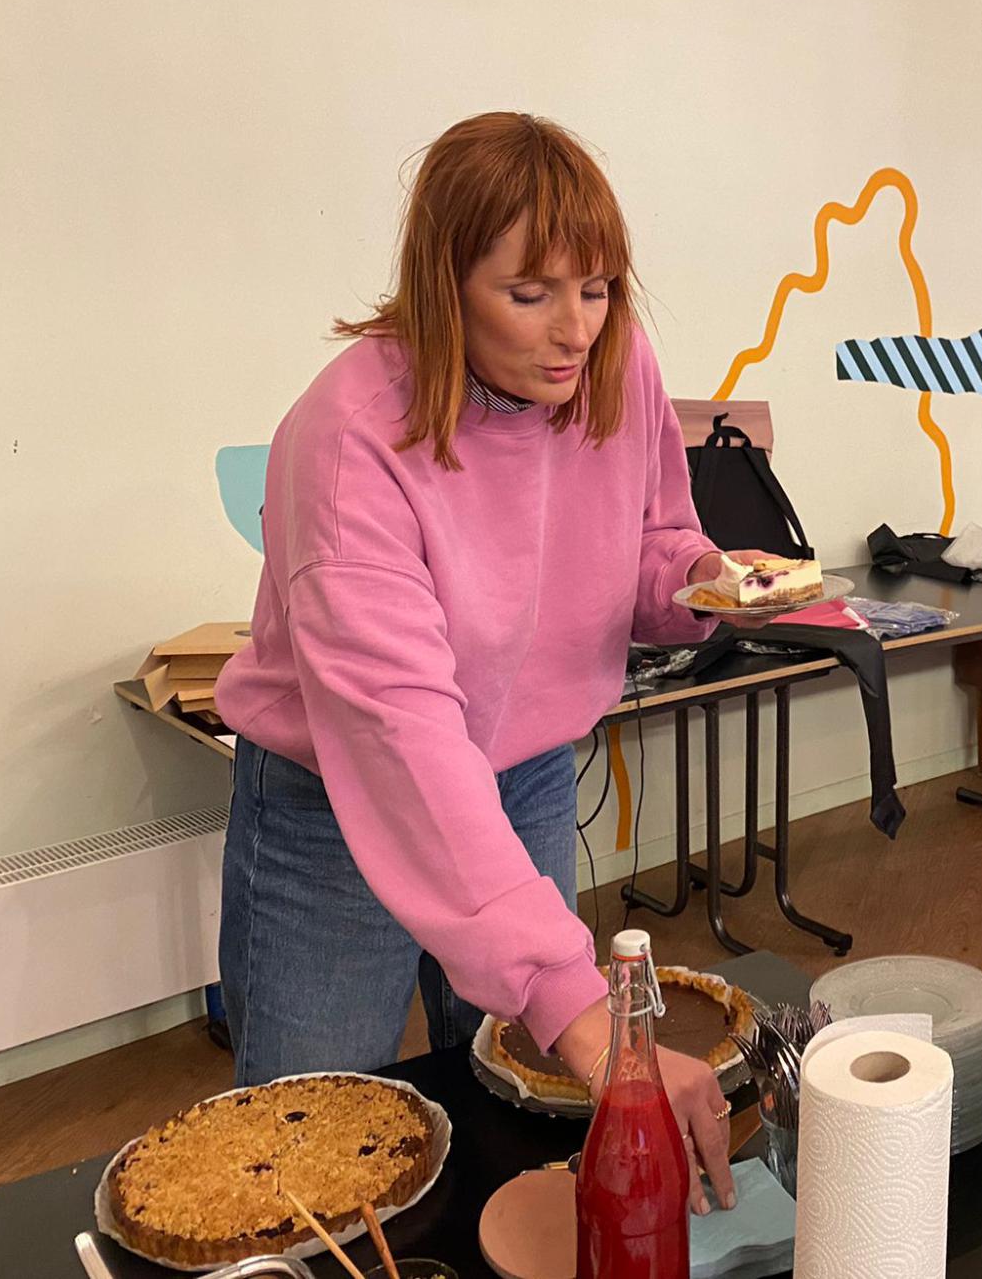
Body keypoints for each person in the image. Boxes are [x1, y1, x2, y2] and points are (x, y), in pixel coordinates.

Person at [215, 112, 746, 1211]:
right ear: (442, 283)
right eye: (531, 292)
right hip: (332, 804)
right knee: (310, 1144)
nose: (575, 332)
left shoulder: (615, 366)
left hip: (525, 775)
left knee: (524, 1099)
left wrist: (699, 579)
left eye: (597, 289)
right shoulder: (349, 436)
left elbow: (647, 541)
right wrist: (589, 1011)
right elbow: (401, 738)